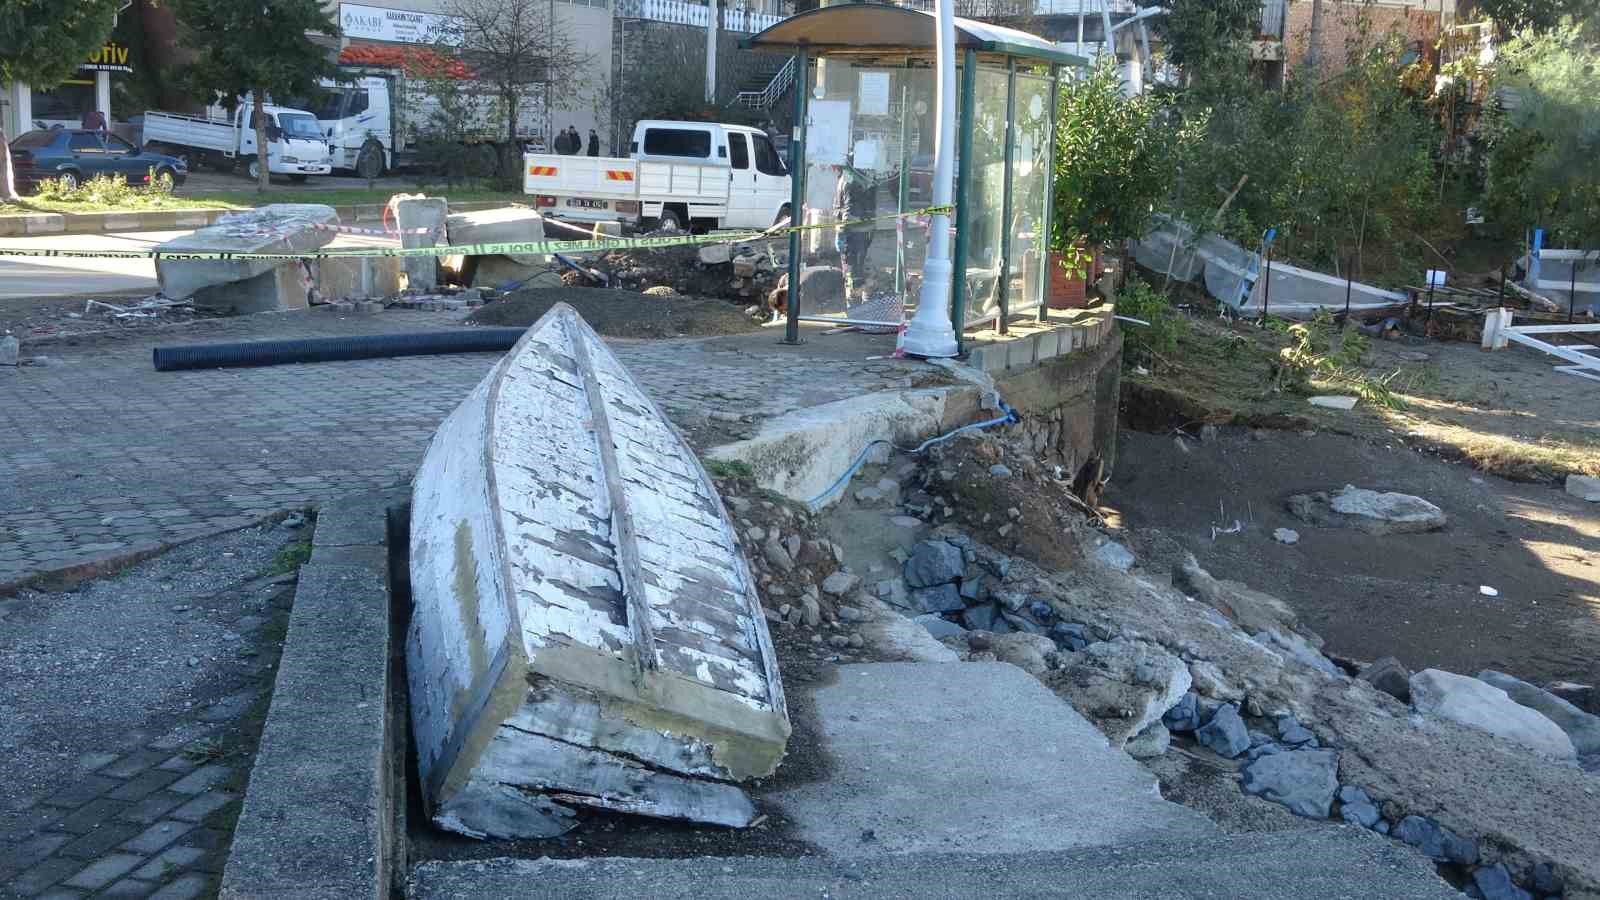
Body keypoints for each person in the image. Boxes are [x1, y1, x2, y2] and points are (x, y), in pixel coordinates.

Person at [832, 153, 877, 297]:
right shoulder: (861, 179)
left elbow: (849, 210)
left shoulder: (849, 180)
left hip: (853, 232)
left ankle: (854, 299)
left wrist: (842, 232)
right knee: (858, 267)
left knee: (852, 268)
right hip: (862, 230)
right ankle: (860, 296)